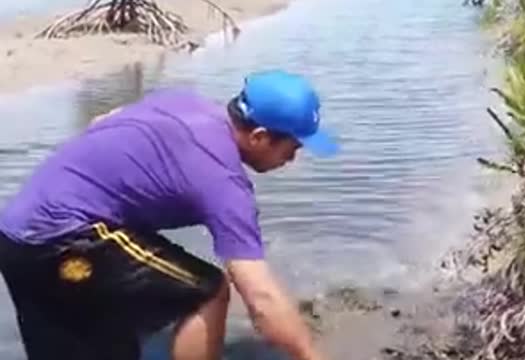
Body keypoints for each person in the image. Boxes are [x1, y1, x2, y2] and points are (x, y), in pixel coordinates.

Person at [0, 69, 338, 360]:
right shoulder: (223, 182)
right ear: (260, 137)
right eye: (291, 148)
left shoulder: (181, 101)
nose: (292, 159)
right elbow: (260, 296)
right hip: (64, 238)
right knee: (207, 291)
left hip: (14, 235)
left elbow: (102, 121)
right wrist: (309, 354)